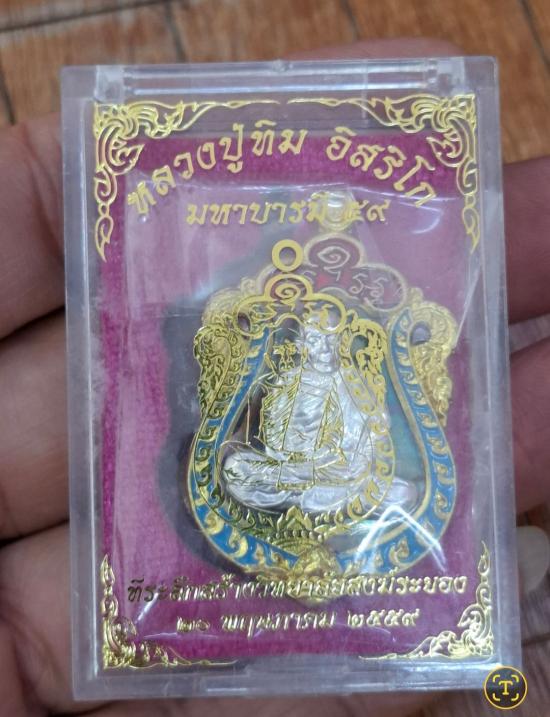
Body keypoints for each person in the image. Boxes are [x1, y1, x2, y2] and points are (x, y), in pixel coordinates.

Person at [0, 38, 549, 717]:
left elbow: (364, 438)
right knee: (239, 470)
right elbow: (264, 435)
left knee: (370, 481)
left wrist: (337, 456)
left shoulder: (349, 376)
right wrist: (284, 458)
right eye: (310, 341)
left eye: (325, 343)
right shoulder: (282, 373)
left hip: (337, 479)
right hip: (284, 478)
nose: (316, 350)